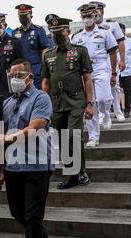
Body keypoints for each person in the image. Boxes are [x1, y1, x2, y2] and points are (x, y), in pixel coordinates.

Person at [0, 58, 54, 238]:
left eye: (18, 75)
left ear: (30, 77)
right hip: (14, 167)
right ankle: (41, 234)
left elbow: (34, 129)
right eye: (12, 75)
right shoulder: (7, 103)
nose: (14, 79)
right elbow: (0, 136)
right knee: (17, 213)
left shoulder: (41, 98)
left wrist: (6, 140)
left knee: (31, 217)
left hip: (37, 165)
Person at [42, 17, 94, 190]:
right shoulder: (48, 55)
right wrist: (44, 104)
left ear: (68, 31)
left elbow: (87, 79)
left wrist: (89, 104)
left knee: (74, 136)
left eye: (60, 32)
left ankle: (76, 173)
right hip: (57, 103)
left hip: (76, 102)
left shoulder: (80, 51)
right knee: (64, 140)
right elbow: (46, 82)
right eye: (54, 33)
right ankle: (77, 172)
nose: (57, 35)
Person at [72, 4, 118, 147]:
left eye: (89, 16)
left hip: (101, 67)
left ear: (94, 16)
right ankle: (93, 137)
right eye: (84, 17)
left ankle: (105, 114)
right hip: (85, 71)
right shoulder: (77, 36)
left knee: (104, 98)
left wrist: (113, 73)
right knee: (89, 103)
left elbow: (112, 52)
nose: (87, 19)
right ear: (81, 18)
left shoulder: (105, 33)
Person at [90, 1, 126, 127]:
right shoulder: (88, 28)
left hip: (111, 58)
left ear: (102, 11)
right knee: (96, 89)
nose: (95, 12)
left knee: (114, 85)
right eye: (92, 10)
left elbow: (120, 43)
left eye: (97, 10)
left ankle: (117, 111)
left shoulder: (112, 24)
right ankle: (101, 114)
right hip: (97, 62)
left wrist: (122, 60)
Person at [0, 13, 25, 99]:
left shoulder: (15, 43)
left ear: (5, 25)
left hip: (10, 88)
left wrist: (22, 90)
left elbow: (23, 67)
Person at [12, 4, 50, 90]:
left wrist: (44, 68)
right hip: (21, 71)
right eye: (20, 16)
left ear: (31, 15)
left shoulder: (39, 30)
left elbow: (44, 49)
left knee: (38, 94)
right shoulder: (15, 33)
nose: (22, 18)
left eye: (25, 16)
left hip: (36, 70)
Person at [119, 23, 131, 119]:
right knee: (116, 92)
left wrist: (129, 64)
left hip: (127, 71)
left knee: (127, 91)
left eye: (120, 30)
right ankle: (118, 111)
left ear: (124, 31)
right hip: (115, 71)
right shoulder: (112, 41)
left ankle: (127, 110)